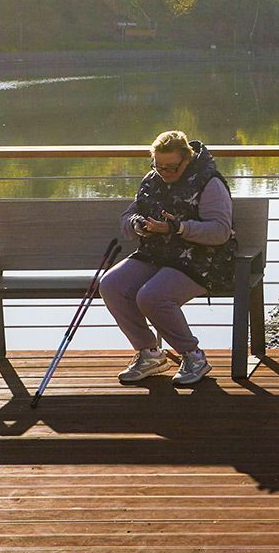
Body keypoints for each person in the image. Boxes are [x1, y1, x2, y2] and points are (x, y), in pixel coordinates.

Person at [101, 130, 237, 386]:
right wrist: (136, 224)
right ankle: (149, 353)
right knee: (111, 285)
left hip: (202, 259)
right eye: (158, 166)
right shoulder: (152, 180)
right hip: (156, 254)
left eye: (171, 167)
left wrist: (178, 228)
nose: (164, 172)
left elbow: (220, 232)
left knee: (152, 296)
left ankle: (193, 356)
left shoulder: (210, 182)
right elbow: (127, 216)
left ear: (187, 159)